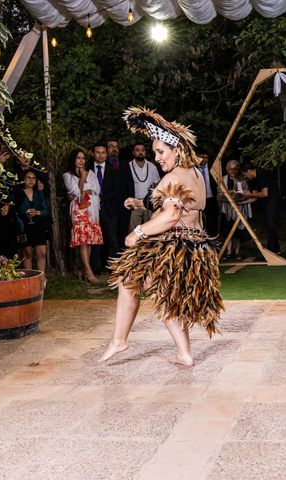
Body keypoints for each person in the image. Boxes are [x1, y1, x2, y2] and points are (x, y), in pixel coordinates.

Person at [99, 107, 223, 366]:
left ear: (177, 149)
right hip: (196, 246)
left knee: (129, 281)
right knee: (167, 299)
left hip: (173, 245)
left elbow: (170, 216)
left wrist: (138, 231)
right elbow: (179, 205)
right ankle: (184, 354)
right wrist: (140, 203)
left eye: (160, 152)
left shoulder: (171, 177)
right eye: (155, 152)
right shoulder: (195, 174)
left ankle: (120, 341)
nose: (157, 158)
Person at [63, 149, 103, 283]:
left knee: (89, 240)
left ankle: (83, 271)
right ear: (73, 159)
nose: (81, 160)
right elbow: (75, 192)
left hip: (92, 210)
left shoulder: (91, 173)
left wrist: (84, 188)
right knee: (83, 241)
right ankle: (89, 272)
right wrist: (83, 178)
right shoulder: (68, 175)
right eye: (78, 158)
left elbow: (96, 189)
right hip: (79, 211)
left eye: (83, 158)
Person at [89, 143, 122, 271]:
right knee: (95, 239)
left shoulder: (113, 169)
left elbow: (116, 189)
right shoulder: (87, 169)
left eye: (103, 152)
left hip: (109, 208)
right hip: (91, 208)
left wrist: (102, 199)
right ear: (93, 154)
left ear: (106, 154)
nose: (100, 155)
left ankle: (112, 268)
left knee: (112, 239)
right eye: (98, 152)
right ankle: (95, 268)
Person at [242, 164, 281, 254]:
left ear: (249, 170)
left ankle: (271, 250)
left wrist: (248, 195)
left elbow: (264, 194)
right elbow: (255, 195)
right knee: (270, 226)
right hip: (267, 204)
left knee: (271, 226)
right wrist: (243, 201)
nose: (245, 176)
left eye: (245, 174)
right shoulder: (255, 180)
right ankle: (277, 249)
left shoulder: (262, 175)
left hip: (273, 203)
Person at [122, 142, 161, 232]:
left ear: (145, 152)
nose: (140, 152)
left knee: (150, 231)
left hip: (149, 204)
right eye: (137, 150)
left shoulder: (152, 167)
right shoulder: (127, 166)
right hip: (134, 204)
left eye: (142, 150)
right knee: (133, 231)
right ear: (133, 152)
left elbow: (157, 185)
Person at [15, 170, 50, 272]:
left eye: (33, 178)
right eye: (28, 178)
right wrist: (24, 213)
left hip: (38, 226)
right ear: (23, 179)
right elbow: (15, 210)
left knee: (42, 253)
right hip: (24, 226)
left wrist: (37, 212)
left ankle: (41, 280)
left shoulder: (39, 193)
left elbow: (46, 211)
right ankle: (28, 280)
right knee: (27, 254)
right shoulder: (19, 193)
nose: (31, 180)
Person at [219, 159, 253, 260]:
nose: (232, 171)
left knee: (238, 230)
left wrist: (239, 193)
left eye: (234, 169)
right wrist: (227, 193)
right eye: (230, 169)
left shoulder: (242, 179)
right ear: (227, 169)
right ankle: (228, 252)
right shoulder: (223, 179)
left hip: (240, 207)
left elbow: (247, 192)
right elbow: (219, 193)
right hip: (227, 208)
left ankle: (237, 252)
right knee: (228, 230)